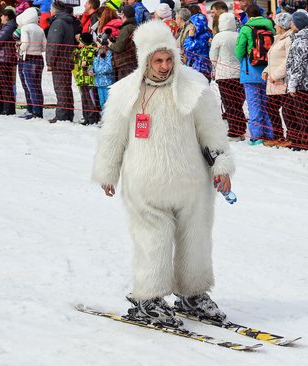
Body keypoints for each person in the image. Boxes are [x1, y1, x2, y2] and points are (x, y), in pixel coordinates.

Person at [92, 20, 234, 327]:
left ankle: (193, 293)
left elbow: (212, 132)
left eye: (169, 59)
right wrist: (108, 171)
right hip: (145, 183)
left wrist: (221, 165)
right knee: (152, 240)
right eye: (157, 60)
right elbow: (113, 135)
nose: (164, 66)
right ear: (144, 59)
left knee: (195, 239)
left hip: (192, 184)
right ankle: (149, 297)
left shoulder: (194, 86)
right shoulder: (125, 92)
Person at [235, 4, 274, 145]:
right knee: (266, 104)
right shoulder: (270, 26)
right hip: (267, 71)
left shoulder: (246, 29)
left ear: (249, 15)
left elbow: (239, 51)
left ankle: (257, 136)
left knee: (253, 104)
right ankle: (270, 132)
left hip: (250, 71)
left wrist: (244, 60)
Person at [210, 12, 246, 141]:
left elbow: (213, 56)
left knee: (229, 103)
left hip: (224, 75)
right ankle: (240, 129)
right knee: (237, 102)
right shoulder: (239, 35)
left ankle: (234, 131)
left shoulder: (219, 37)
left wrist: (214, 68)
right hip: (239, 74)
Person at [285, 11, 308, 150]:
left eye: (292, 22)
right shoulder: (298, 38)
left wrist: (293, 84)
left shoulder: (303, 40)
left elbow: (299, 64)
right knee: (291, 110)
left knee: (301, 112)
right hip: (298, 82)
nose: (290, 24)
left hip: (302, 83)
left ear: (297, 23)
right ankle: (298, 139)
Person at [262, 12, 293, 147]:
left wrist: (275, 75)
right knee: (271, 108)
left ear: (282, 25)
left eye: (276, 23)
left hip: (282, 81)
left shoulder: (288, 39)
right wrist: (266, 71)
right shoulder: (278, 38)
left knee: (286, 110)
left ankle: (290, 136)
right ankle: (278, 135)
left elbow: (288, 61)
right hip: (274, 82)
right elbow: (273, 60)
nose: (274, 25)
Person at [46, 0, 77, 123]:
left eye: (50, 8)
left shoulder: (58, 23)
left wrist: (50, 61)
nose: (49, 11)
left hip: (59, 61)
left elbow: (54, 43)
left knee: (61, 89)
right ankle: (68, 114)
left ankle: (62, 116)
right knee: (66, 88)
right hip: (66, 59)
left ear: (55, 10)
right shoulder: (66, 21)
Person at [16, 7, 46, 119]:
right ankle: (39, 111)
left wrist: (19, 47)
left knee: (30, 86)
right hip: (39, 58)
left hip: (28, 58)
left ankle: (34, 112)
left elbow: (25, 43)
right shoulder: (40, 29)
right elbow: (44, 46)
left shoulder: (25, 28)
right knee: (38, 86)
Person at [0, 6, 17, 115]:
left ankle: (7, 108)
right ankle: (1, 107)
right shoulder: (6, 26)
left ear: (6, 16)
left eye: (1, 15)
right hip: (1, 58)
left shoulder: (9, 26)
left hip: (4, 58)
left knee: (4, 83)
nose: (0, 17)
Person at [73, 32, 100, 125]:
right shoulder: (81, 50)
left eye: (80, 41)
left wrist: (88, 63)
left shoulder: (93, 50)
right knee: (84, 99)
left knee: (91, 99)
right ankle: (86, 117)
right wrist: (76, 51)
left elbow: (95, 62)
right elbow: (75, 60)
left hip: (90, 80)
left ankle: (93, 118)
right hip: (82, 79)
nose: (78, 43)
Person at [108, 5, 137, 81]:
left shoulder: (126, 28)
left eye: (121, 14)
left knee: (124, 90)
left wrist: (110, 44)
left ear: (123, 15)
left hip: (125, 64)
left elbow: (118, 48)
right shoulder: (134, 26)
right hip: (132, 62)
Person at [183, 13, 210, 81]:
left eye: (192, 25)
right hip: (199, 69)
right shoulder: (202, 35)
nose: (191, 27)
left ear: (198, 25)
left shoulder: (203, 37)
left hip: (201, 70)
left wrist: (190, 37)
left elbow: (187, 50)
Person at [92, 41, 114, 111]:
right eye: (101, 47)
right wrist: (91, 70)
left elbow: (108, 68)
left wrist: (97, 70)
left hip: (108, 83)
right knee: (102, 102)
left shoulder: (110, 55)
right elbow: (94, 67)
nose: (102, 49)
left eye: (103, 47)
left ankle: (110, 118)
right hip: (99, 83)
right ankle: (103, 118)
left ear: (107, 48)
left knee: (109, 102)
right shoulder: (98, 55)